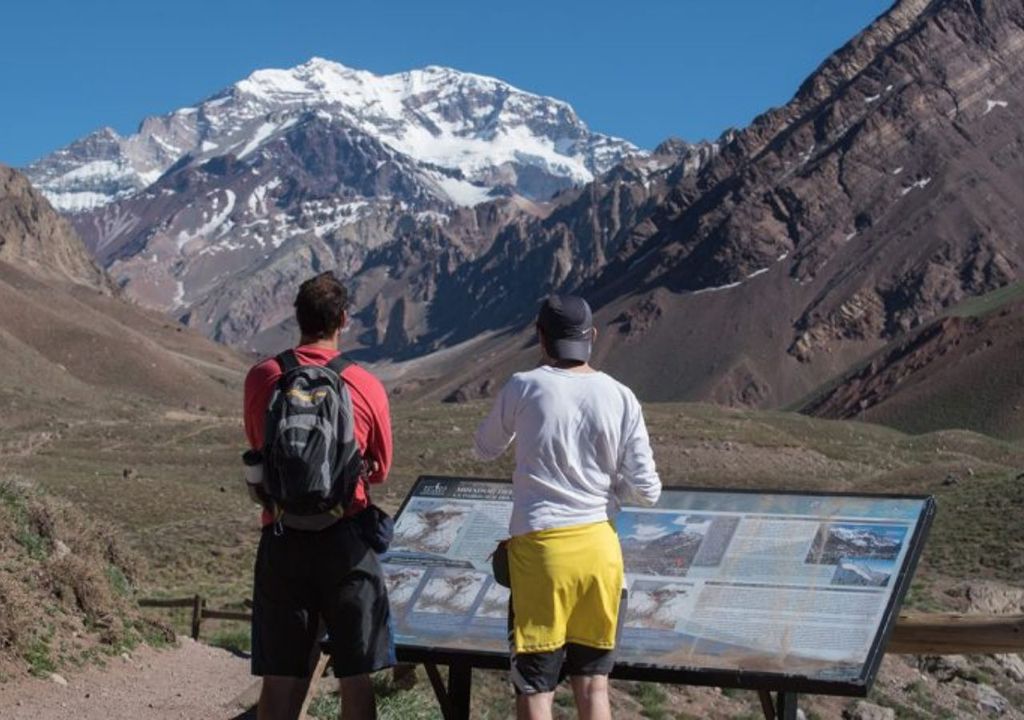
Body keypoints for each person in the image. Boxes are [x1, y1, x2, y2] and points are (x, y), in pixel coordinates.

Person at [474, 294, 662, 720]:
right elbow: (647, 490)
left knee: (535, 687)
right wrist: (611, 484)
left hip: (541, 554)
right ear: (592, 337)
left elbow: (484, 448)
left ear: (541, 338)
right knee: (595, 685)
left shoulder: (523, 386)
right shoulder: (621, 396)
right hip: (600, 552)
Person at [243, 271, 394, 720]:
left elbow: (258, 446)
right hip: (345, 539)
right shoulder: (365, 385)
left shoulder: (263, 377)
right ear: (343, 320)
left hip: (283, 535)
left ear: (297, 317)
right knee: (356, 674)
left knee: (280, 677)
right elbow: (381, 470)